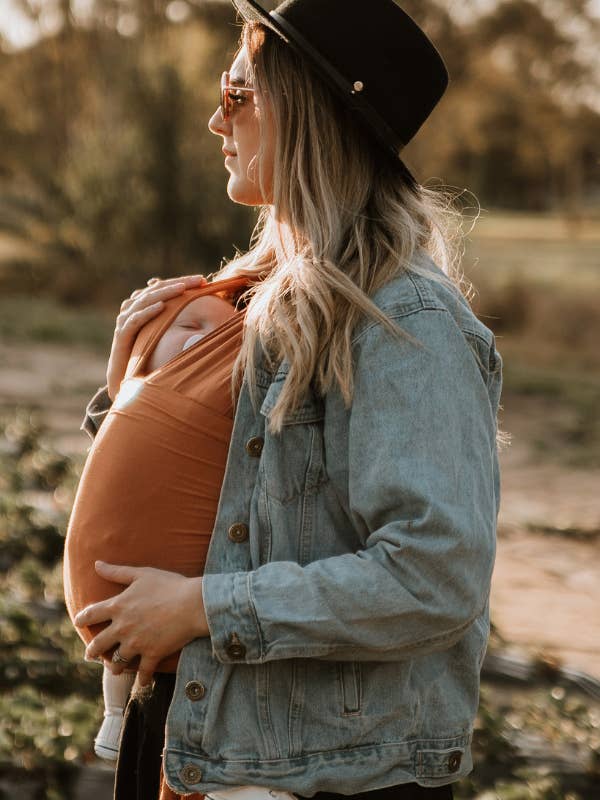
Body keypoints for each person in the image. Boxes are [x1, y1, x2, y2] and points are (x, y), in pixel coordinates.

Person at [73, 1, 502, 799]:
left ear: (311, 114)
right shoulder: (262, 296)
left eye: (236, 94)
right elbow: (221, 494)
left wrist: (206, 607)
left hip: (320, 776)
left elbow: (434, 574)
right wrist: (126, 394)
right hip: (199, 733)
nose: (213, 119)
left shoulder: (407, 321)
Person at [63, 282, 242, 761]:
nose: (206, 340)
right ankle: (113, 716)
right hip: (162, 674)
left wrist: (201, 604)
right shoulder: (234, 288)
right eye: (191, 327)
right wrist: (121, 389)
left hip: (214, 666)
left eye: (221, 335)